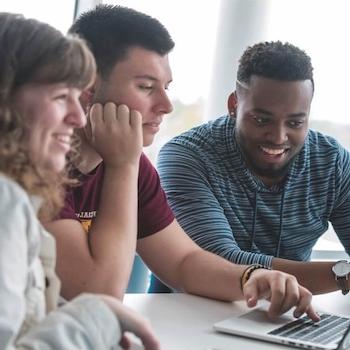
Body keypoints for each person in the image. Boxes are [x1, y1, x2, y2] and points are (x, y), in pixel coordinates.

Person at [46, 5, 319, 321]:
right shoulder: (37, 166)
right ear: (88, 91)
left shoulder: (134, 168)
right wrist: (122, 166)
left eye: (167, 87)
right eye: (146, 87)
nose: (165, 105)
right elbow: (98, 297)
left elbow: (182, 262)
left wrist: (252, 277)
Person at [0, 12, 160, 350]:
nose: (77, 116)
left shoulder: (20, 196)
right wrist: (94, 318)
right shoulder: (5, 201)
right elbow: (99, 290)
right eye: (60, 97)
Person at [157, 40, 350, 295]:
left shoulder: (330, 161)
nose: (278, 137)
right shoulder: (187, 156)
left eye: (294, 122)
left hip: (290, 315)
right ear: (234, 105)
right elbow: (220, 262)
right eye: (262, 120)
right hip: (194, 315)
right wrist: (341, 275)